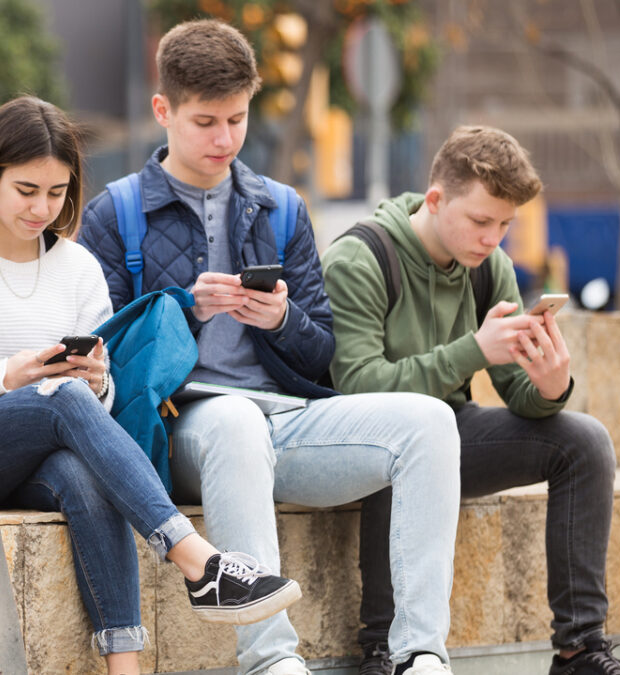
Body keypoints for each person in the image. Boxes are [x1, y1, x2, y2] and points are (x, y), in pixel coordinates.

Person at [80, 19, 461, 675]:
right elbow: (100, 362)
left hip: (284, 418)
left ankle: (420, 650)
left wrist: (281, 319)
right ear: (163, 111)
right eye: (206, 121)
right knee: (231, 421)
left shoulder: (281, 208)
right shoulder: (114, 215)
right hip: (184, 427)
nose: (225, 138)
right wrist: (184, 309)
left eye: (238, 118)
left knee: (430, 421)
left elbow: (322, 357)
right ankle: (271, 658)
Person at [0, 96, 299, 675]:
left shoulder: (76, 268)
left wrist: (99, 380)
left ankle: (123, 668)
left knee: (83, 469)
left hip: (40, 455)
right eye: (26, 190)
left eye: (56, 193)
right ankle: (199, 563)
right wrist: (10, 377)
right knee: (61, 396)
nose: (42, 208)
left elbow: (93, 408)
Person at [321, 126, 620, 675]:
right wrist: (471, 350)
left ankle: (579, 649)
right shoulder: (359, 260)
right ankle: (382, 650)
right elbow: (356, 388)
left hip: (450, 428)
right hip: (362, 439)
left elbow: (517, 394)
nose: (493, 239)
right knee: (412, 435)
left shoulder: (491, 270)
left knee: (586, 442)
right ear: (435, 200)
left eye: (505, 225)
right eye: (482, 221)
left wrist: (551, 387)